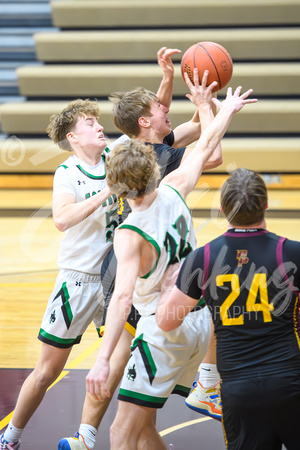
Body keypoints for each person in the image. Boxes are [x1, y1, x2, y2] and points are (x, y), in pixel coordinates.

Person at [58, 54, 224, 450]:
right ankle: (207, 381)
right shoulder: (163, 163)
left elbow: (155, 120)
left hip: (118, 259)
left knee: (117, 364)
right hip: (145, 265)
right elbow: (207, 150)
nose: (165, 110)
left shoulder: (123, 148)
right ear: (148, 122)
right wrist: (212, 106)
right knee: (119, 361)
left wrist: (167, 80)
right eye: (160, 109)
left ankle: (85, 434)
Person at [85, 75, 256, 449]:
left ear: (116, 185)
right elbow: (207, 143)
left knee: (121, 433)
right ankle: (207, 384)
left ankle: (206, 387)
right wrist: (222, 107)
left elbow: (122, 300)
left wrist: (101, 360)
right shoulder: (175, 188)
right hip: (198, 322)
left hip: (163, 331)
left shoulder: (129, 232)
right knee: (144, 426)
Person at [156, 168, 300, 449]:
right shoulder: (291, 253)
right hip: (289, 383)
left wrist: (168, 289)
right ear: (266, 203)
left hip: (238, 390)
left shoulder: (203, 258)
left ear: (222, 209)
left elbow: (166, 321)